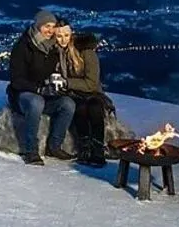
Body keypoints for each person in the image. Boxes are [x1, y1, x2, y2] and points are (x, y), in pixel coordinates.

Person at [6, 9, 77, 164]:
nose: (50, 30)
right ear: (38, 26)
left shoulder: (52, 48)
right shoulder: (23, 46)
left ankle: (54, 146)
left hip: (44, 93)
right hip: (22, 95)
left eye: (53, 26)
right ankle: (31, 150)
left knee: (68, 104)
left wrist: (52, 86)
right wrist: (38, 89)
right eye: (46, 26)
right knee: (36, 102)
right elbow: (16, 80)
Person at [54, 22, 113, 167]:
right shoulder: (56, 53)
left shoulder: (86, 51)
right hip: (72, 93)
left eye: (66, 35)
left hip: (92, 92)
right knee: (79, 107)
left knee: (94, 107)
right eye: (59, 36)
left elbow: (91, 83)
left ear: (72, 34)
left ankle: (98, 150)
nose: (63, 40)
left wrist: (67, 82)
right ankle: (84, 149)